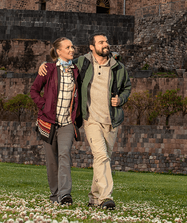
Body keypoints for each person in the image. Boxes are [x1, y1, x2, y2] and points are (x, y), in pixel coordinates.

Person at [39, 33, 131, 209]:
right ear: (92, 46)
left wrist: (121, 100)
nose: (106, 44)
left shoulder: (118, 67)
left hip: (112, 120)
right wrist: (44, 64)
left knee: (103, 159)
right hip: (91, 119)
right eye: (101, 42)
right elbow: (60, 64)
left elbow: (127, 87)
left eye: (106, 41)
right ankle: (105, 197)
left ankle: (94, 198)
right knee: (101, 156)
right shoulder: (83, 63)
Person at [29, 37, 82, 205]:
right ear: (59, 51)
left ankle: (65, 195)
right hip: (48, 122)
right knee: (52, 161)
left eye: (72, 47)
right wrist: (43, 106)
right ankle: (55, 196)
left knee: (64, 154)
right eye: (68, 47)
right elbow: (34, 90)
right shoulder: (49, 69)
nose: (72, 49)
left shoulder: (77, 70)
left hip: (67, 123)